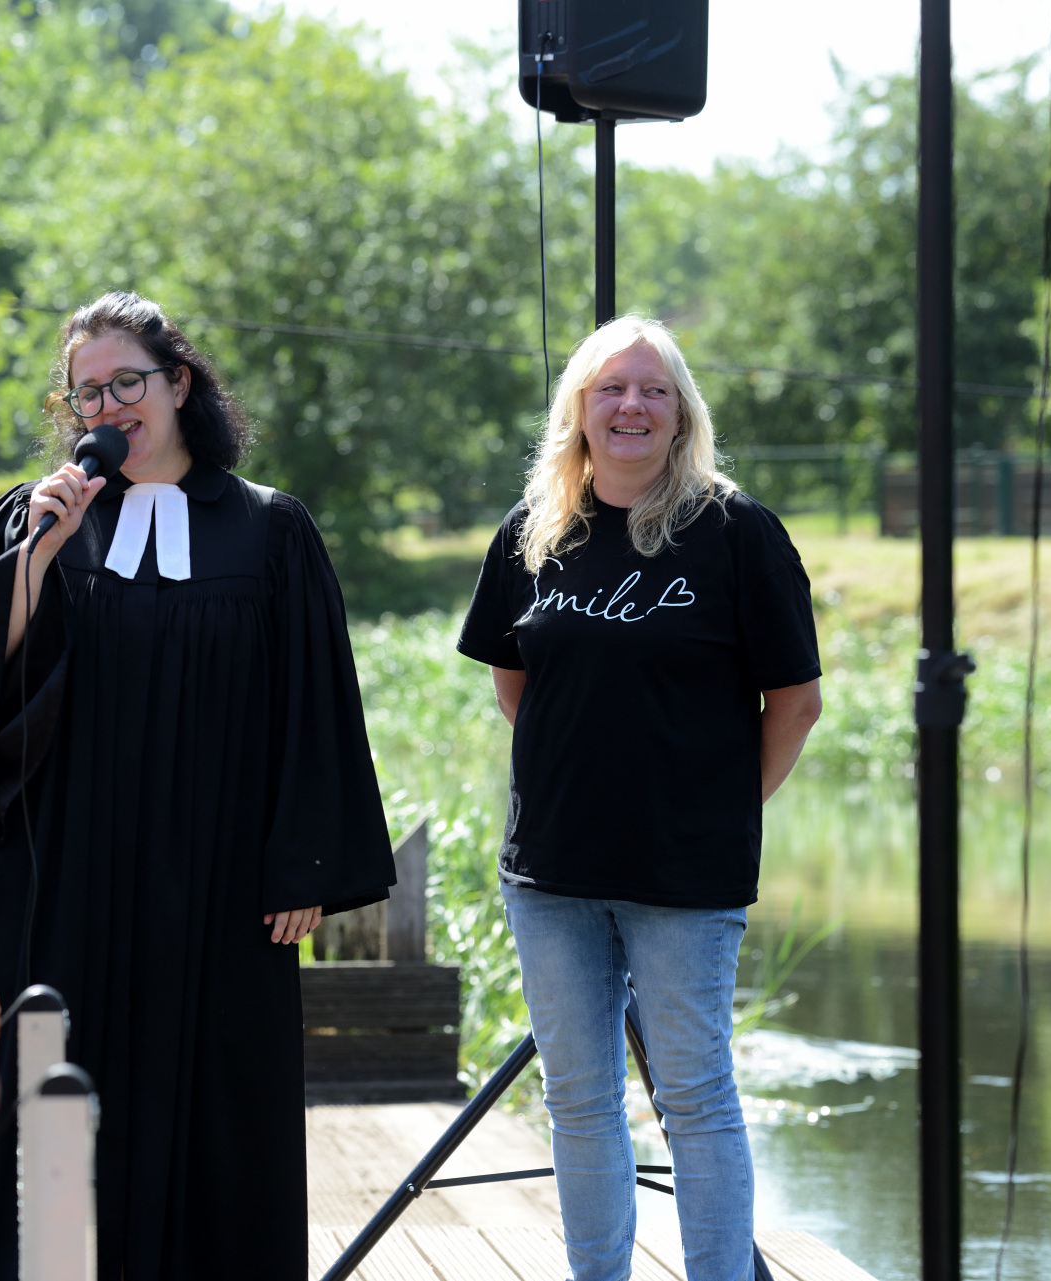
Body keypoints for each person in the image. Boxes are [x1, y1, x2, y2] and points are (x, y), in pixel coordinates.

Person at [0, 293, 394, 1280]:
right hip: (56, 873)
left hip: (210, 885)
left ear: (179, 385)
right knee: (35, 1101)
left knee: (207, 1110)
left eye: (125, 383)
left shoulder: (269, 533)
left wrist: (302, 859)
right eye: (86, 393)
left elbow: (315, 704)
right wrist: (39, 553)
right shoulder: (38, 517)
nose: (107, 408)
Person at [455, 316, 822, 1281]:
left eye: (654, 389)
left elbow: (796, 701)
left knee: (696, 1098)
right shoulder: (533, 535)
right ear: (579, 408)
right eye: (612, 387)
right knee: (579, 1100)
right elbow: (514, 681)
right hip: (551, 873)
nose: (632, 405)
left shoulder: (739, 534)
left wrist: (719, 807)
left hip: (684, 876)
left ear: (682, 413)